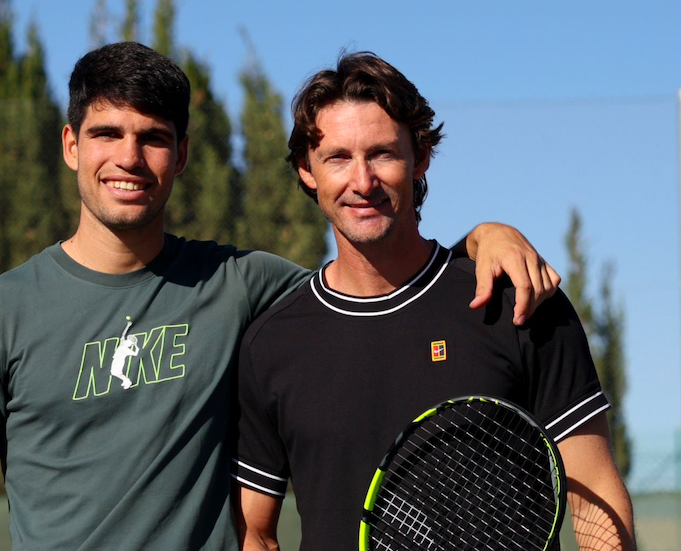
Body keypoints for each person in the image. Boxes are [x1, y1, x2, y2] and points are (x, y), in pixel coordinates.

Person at [0, 42, 559, 551]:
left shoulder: (247, 286)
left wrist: (482, 237)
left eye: (154, 138)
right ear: (70, 145)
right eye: (108, 134)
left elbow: (370, 281)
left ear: (183, 153)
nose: (130, 158)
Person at [232, 52, 636, 551]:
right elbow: (255, 533)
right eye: (338, 157)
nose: (362, 181)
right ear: (307, 170)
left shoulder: (520, 300)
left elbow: (593, 489)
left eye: (382, 153)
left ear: (420, 157)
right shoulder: (270, 345)